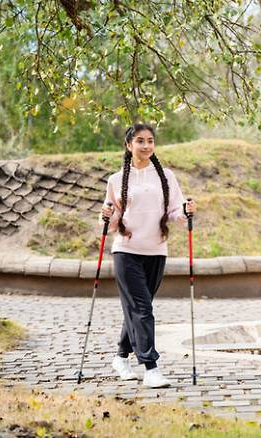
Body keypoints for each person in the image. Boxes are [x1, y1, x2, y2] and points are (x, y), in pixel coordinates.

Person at [100, 123, 195, 388]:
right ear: (129, 145)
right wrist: (105, 217)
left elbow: (175, 211)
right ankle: (151, 368)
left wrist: (186, 212)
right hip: (126, 252)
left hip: (156, 251)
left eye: (150, 141)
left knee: (138, 309)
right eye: (140, 141)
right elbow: (113, 220)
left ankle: (120, 357)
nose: (146, 146)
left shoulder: (166, 177)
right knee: (142, 309)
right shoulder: (116, 180)